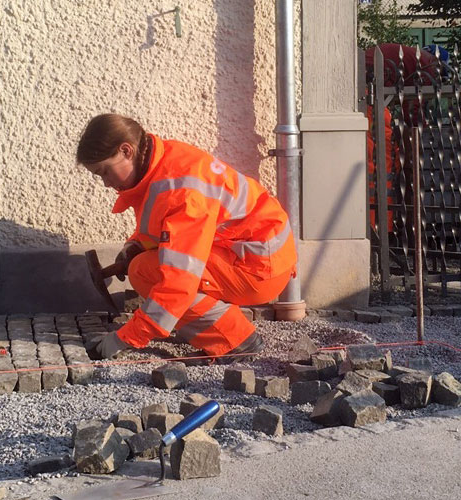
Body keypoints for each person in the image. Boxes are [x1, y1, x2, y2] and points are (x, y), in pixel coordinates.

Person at [76, 114, 297, 363]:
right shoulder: (161, 163)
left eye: (105, 171)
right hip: (254, 253)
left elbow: (178, 285)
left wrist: (122, 339)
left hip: (260, 269)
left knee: (146, 272)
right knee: (144, 265)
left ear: (126, 151)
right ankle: (206, 326)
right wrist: (136, 245)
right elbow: (164, 224)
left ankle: (236, 341)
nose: (106, 183)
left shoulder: (182, 191)